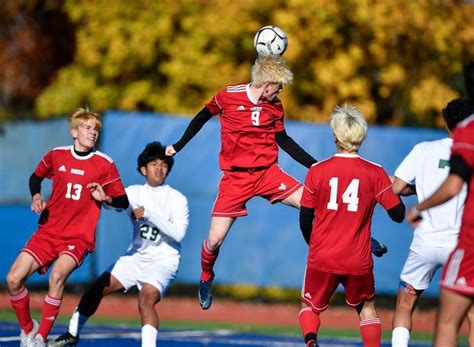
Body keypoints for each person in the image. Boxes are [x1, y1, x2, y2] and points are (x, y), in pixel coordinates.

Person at [165, 55, 386, 310]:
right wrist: (179, 145)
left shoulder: (275, 106)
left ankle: (363, 241)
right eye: (279, 86)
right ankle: (206, 276)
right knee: (214, 240)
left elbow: (285, 141)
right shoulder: (228, 96)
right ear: (267, 83)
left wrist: (316, 165)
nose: (281, 91)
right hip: (235, 178)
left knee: (319, 202)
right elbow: (202, 117)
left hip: (268, 174)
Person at [6, 108, 129, 347]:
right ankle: (28, 330)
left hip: (78, 237)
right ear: (74, 132)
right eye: (87, 128)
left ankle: (41, 338)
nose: (92, 133)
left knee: (57, 275)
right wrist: (36, 196)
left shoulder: (104, 164)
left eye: (95, 129)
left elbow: (122, 201)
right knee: (13, 279)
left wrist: (106, 198)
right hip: (48, 232)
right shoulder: (57, 155)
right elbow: (35, 177)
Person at [49, 141, 189, 347]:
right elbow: (114, 203)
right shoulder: (133, 192)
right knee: (97, 288)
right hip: (135, 257)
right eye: (154, 164)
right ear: (143, 169)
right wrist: (103, 197)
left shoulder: (177, 199)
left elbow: (178, 234)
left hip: (164, 261)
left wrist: (149, 214)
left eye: (164, 164)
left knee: (146, 299)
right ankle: (72, 333)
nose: (159, 168)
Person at [298, 105, 405, 347]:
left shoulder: (317, 171)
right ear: (361, 136)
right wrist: (393, 190)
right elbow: (398, 215)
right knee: (367, 309)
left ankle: (311, 342)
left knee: (309, 307)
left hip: (322, 255)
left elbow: (305, 219)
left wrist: (314, 245)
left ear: (335, 136)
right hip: (358, 258)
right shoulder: (375, 173)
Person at [390, 98, 474, 347]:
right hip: (460, 245)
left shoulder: (424, 149)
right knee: (471, 313)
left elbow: (397, 186)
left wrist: (422, 191)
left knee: (405, 303)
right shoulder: (470, 151)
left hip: (425, 241)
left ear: (446, 122)